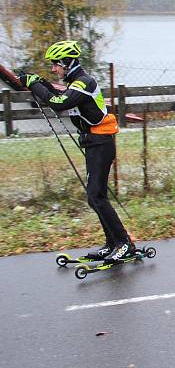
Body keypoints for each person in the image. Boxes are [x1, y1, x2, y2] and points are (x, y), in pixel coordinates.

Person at [16, 41, 133, 261]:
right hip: (92, 143)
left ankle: (124, 243)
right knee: (94, 197)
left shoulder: (85, 82)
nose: (54, 69)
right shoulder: (75, 83)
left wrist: (35, 85)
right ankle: (112, 243)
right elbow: (58, 95)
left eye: (55, 65)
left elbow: (59, 103)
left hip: (101, 143)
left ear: (66, 62)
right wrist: (39, 83)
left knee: (97, 196)